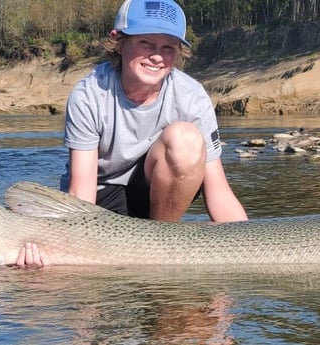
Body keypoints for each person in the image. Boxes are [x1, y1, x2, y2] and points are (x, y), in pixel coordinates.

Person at [16, 0, 247, 268]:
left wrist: (249, 243)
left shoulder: (192, 96)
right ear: (119, 41)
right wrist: (59, 247)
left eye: (168, 47)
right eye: (145, 43)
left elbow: (218, 191)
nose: (157, 56)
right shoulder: (89, 94)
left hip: (152, 198)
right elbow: (81, 190)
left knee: (185, 139)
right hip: (99, 203)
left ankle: (161, 242)